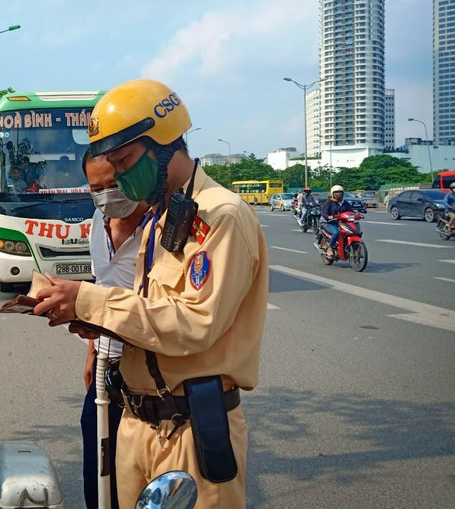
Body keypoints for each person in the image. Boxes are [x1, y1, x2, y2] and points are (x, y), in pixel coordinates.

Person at [34, 79, 268, 508]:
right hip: (137, 420)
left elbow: (194, 323)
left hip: (190, 428)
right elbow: (152, 312)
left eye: (124, 162)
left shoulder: (221, 217)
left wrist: (89, 300)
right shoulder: (162, 217)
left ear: (163, 145)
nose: (120, 177)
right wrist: (98, 324)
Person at [81, 154, 148, 509]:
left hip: (146, 370)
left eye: (113, 184)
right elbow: (101, 286)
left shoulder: (158, 227)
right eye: (97, 188)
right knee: (97, 463)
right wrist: (92, 353)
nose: (107, 195)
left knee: (134, 470)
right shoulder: (97, 220)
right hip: (105, 364)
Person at [320, 184, 353, 258]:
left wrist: (357, 215)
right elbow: (324, 213)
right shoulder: (329, 203)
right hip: (333, 223)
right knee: (336, 233)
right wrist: (329, 216)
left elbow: (351, 211)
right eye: (336, 192)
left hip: (344, 222)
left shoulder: (345, 203)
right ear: (332, 194)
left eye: (340, 192)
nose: (338, 194)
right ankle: (330, 248)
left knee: (353, 231)